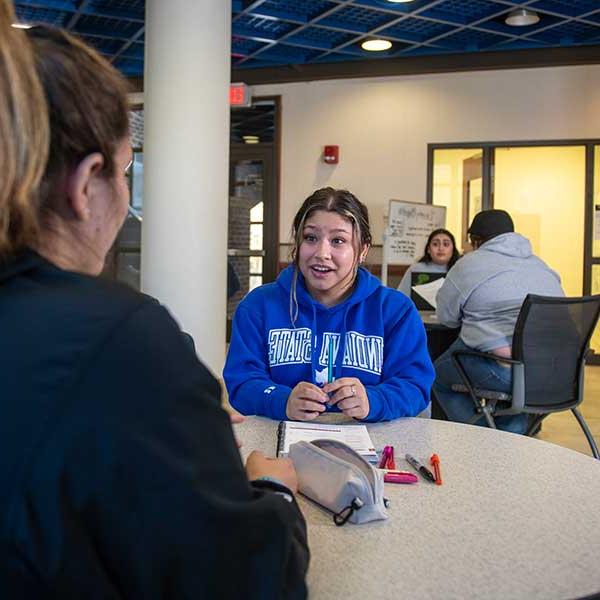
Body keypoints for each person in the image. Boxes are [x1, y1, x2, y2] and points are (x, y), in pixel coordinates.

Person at [0, 7, 308, 598]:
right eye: (125, 172)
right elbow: (253, 581)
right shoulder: (120, 342)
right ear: (86, 183)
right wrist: (275, 490)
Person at [223, 187, 435, 422]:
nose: (322, 253)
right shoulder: (258, 306)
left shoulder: (395, 311)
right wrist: (281, 400)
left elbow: (415, 386)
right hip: (277, 448)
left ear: (363, 250)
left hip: (371, 449)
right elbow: (242, 382)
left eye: (338, 240)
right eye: (311, 238)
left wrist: (373, 400)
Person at [433, 209, 564, 433]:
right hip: (559, 373)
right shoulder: (541, 265)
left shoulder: (470, 264)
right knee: (513, 402)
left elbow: (447, 318)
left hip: (507, 371)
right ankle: (508, 441)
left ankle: (487, 439)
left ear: (476, 241)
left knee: (433, 375)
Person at [397, 228, 460, 297]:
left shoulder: (460, 270)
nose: (441, 248)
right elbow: (401, 297)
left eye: (446, 244)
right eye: (435, 244)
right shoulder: (416, 269)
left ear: (453, 249)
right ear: (428, 249)